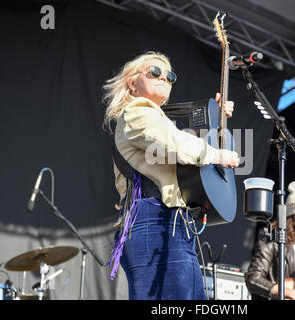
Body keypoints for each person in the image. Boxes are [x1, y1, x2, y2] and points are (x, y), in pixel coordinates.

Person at [103, 51, 240, 300]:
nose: (164, 78)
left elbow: (178, 145)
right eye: (155, 72)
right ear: (133, 83)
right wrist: (217, 155)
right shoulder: (137, 112)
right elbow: (174, 144)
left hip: (168, 223)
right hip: (153, 221)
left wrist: (214, 115)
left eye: (170, 76)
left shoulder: (155, 118)